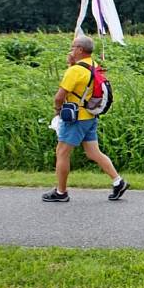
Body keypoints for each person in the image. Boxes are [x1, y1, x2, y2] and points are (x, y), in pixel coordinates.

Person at [44, 35, 128, 202]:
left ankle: (61, 192)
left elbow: (59, 97)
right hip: (90, 115)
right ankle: (118, 182)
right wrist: (71, 63)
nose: (71, 50)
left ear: (80, 49)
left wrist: (57, 112)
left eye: (73, 47)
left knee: (61, 153)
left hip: (75, 119)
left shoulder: (74, 71)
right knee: (93, 152)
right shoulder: (93, 66)